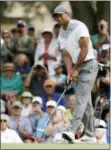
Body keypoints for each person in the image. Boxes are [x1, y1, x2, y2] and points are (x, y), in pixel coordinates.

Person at [53, 5, 98, 143]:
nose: (58, 18)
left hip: (88, 65)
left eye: (60, 15)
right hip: (76, 66)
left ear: (67, 14)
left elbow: (84, 50)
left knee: (80, 98)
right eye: (56, 16)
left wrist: (76, 68)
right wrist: (69, 72)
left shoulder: (80, 26)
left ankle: (72, 131)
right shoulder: (61, 32)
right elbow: (66, 54)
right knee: (87, 103)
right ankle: (90, 135)